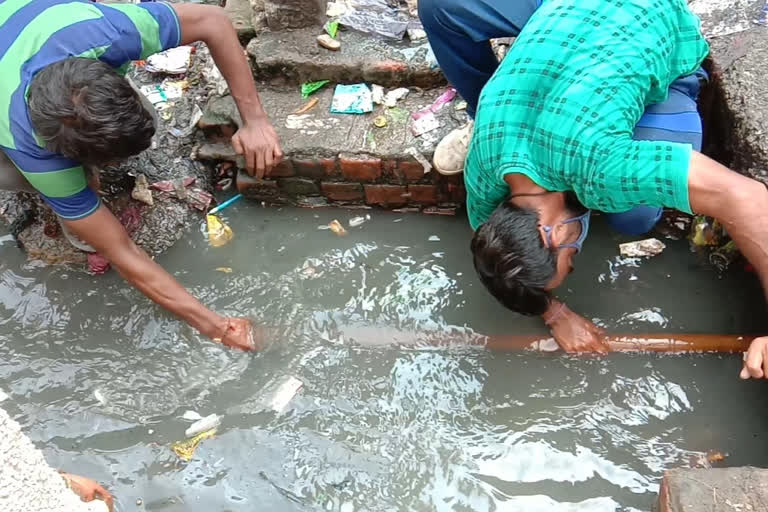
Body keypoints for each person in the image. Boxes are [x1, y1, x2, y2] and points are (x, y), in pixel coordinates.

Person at [419, 0, 768, 379]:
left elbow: (747, 197)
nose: (575, 260)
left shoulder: (601, 171)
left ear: (552, 234)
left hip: (654, 16)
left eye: (569, 264)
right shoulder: (485, 165)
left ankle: (676, 89)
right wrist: (555, 314)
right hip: (571, 14)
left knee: (635, 216)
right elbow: (487, 238)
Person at [0, 0, 283, 351]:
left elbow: (213, 19)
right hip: (8, 110)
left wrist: (254, 121)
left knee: (146, 122)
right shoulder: (28, 145)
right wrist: (220, 329)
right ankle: (67, 192)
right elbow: (121, 252)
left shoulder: (108, 32)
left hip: (24, 25)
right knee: (18, 180)